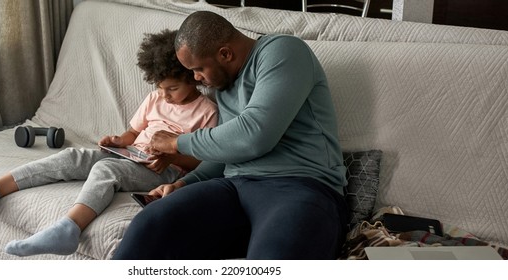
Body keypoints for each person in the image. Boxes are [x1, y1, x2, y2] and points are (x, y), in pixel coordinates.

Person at [0, 29, 218, 257]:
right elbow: (132, 133)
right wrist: (117, 141)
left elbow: (202, 160)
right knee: (72, 157)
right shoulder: (155, 100)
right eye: (160, 88)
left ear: (192, 78)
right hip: (132, 155)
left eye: (173, 89)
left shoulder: (207, 111)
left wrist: (173, 156)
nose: (165, 96)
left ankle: (68, 229)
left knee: (107, 170)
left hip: (163, 169)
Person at [112, 11, 349, 260]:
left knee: (273, 258)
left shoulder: (284, 51)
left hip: (302, 187)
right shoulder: (225, 87)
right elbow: (226, 154)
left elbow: (254, 135)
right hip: (234, 186)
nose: (196, 79)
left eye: (198, 69)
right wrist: (183, 184)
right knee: (149, 225)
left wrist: (176, 143)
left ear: (225, 53)